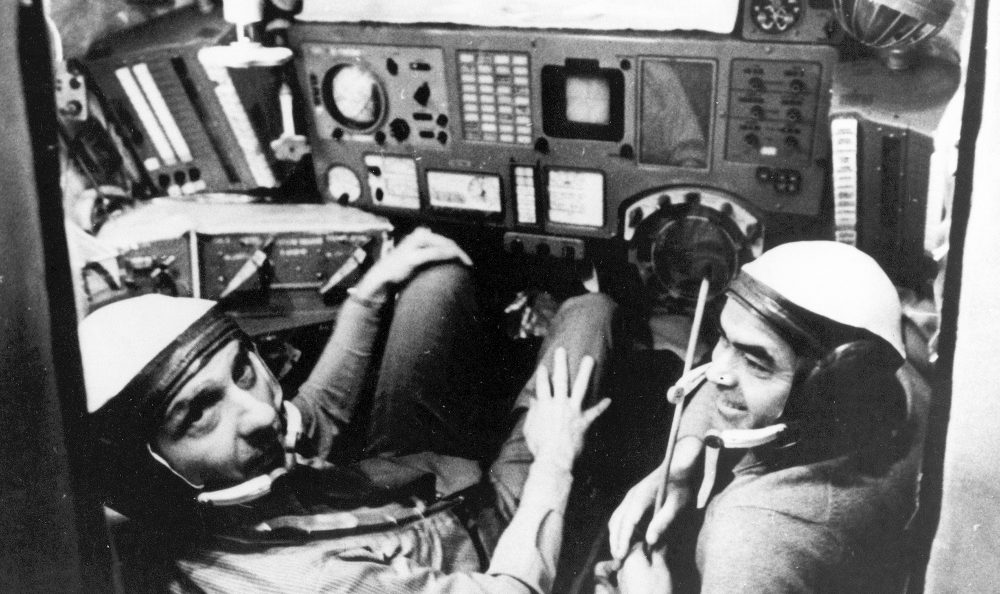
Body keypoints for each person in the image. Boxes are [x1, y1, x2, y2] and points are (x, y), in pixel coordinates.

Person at [79, 227, 619, 593]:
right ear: (148, 473)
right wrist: (555, 460)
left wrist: (368, 294)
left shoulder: (224, 476)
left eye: (242, 370)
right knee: (590, 315)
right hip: (480, 538)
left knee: (437, 279)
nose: (260, 415)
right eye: (199, 414)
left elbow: (308, 416)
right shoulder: (303, 582)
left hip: (391, 484)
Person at [605, 241, 930, 593]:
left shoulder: (750, 542)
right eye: (723, 339)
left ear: (824, 392)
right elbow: (736, 372)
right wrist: (683, 458)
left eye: (755, 363)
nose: (716, 372)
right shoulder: (896, 380)